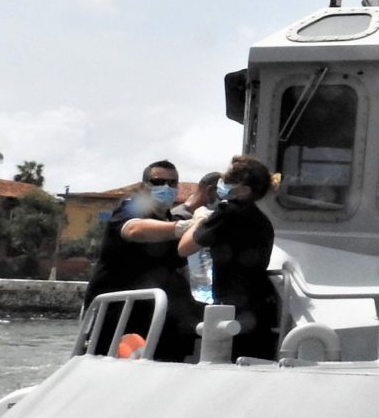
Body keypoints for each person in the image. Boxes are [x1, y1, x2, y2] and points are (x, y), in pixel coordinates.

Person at [82, 159, 200, 362]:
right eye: (158, 181)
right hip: (119, 316)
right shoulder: (130, 209)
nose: (166, 187)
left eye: (172, 183)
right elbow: (134, 229)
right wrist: (182, 227)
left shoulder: (168, 220)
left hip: (157, 316)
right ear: (144, 186)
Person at [177, 154, 279, 362]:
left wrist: (200, 219)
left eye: (226, 179)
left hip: (232, 310)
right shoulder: (263, 221)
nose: (221, 184)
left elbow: (184, 248)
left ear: (242, 188)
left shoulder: (227, 213)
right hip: (259, 309)